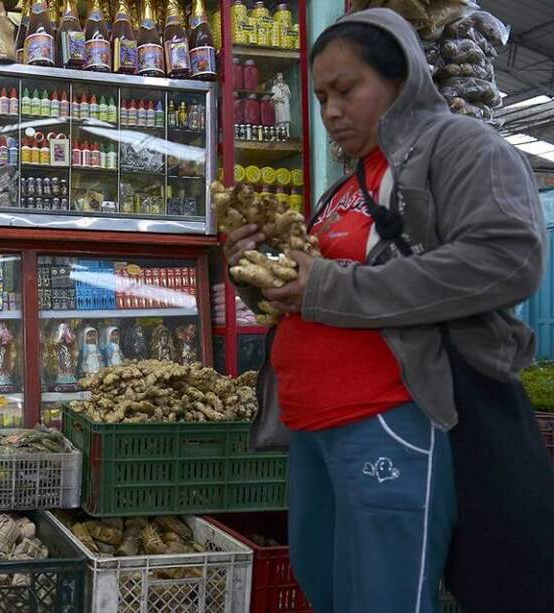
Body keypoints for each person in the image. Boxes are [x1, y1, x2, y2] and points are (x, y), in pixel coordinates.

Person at [223, 9, 549, 613]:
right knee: (330, 590)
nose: (330, 112)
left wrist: (327, 288)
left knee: (383, 598)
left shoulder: (460, 147)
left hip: (391, 421)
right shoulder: (347, 187)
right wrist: (257, 273)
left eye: (347, 91)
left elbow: (505, 260)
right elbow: (317, 293)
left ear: (401, 80)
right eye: (320, 97)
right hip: (317, 430)